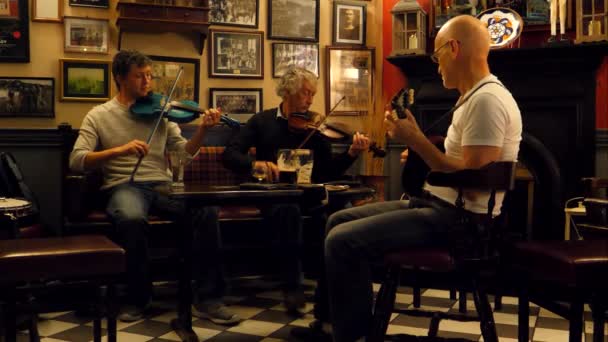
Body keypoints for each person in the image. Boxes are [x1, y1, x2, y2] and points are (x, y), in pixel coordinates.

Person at [323, 15, 522, 342]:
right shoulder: (473, 97)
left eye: (437, 54)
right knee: (338, 221)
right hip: (441, 208)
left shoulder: (487, 100)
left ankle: (355, 336)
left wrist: (415, 140)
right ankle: (349, 326)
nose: (436, 63)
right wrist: (424, 148)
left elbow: (472, 174)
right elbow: (460, 161)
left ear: (454, 48)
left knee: (341, 240)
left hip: (460, 223)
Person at [69, 50, 240, 325]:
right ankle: (139, 298)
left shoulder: (163, 112)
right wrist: (119, 150)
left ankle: (208, 298)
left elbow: (183, 154)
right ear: (120, 78)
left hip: (162, 185)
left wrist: (202, 131)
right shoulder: (98, 115)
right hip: (125, 185)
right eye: (140, 76)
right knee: (132, 217)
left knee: (205, 209)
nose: (147, 82)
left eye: (149, 75)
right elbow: (77, 160)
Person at [222, 66, 370, 315]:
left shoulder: (314, 126)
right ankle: (292, 285)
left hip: (308, 195)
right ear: (287, 92)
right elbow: (230, 155)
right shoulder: (262, 121)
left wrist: (351, 154)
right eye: (304, 93)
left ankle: (331, 294)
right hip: (274, 197)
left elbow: (328, 171)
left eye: (312, 94)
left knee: (336, 215)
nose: (310, 100)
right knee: (287, 210)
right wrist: (255, 165)